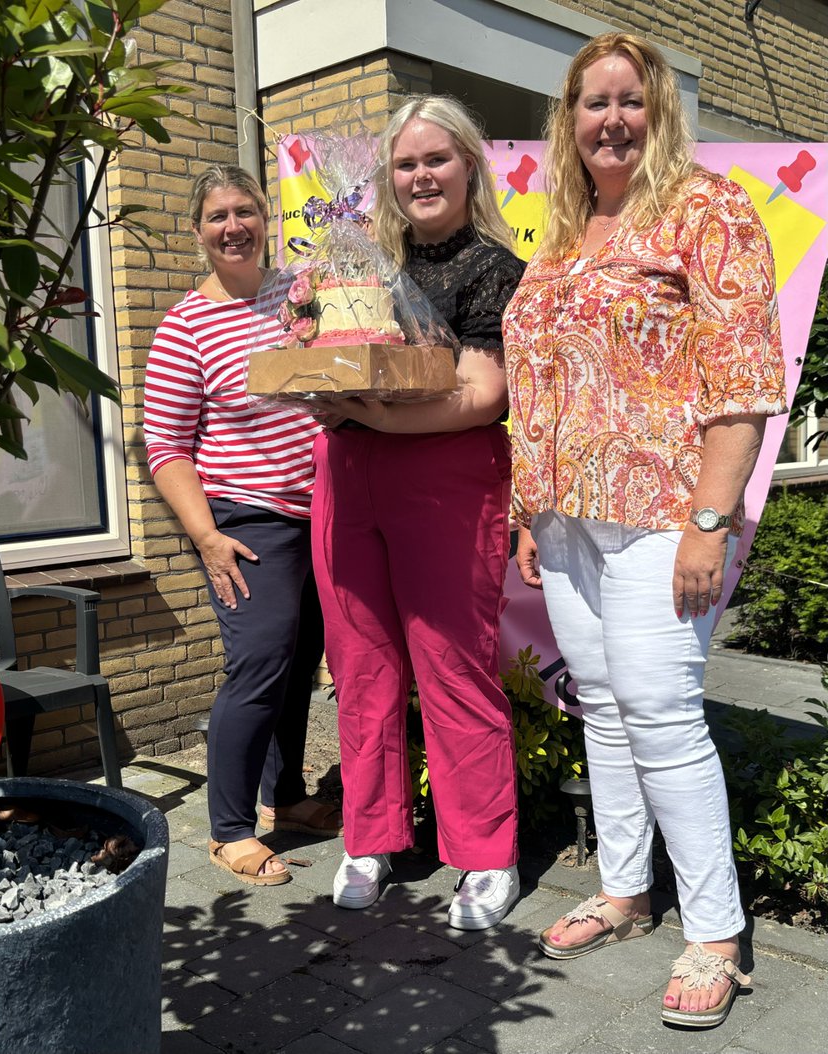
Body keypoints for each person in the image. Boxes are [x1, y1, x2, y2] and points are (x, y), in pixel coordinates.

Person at [503, 32, 786, 1029]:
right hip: (567, 520)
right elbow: (542, 385)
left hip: (665, 510)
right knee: (606, 709)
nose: (613, 119)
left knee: (662, 713)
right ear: (570, 118)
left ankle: (716, 934)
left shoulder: (707, 210)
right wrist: (531, 507)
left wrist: (711, 521)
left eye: (631, 100)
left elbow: (743, 380)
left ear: (659, 111)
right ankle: (624, 891)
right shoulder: (563, 234)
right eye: (595, 102)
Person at [314, 97, 523, 926]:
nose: (422, 176)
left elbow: (482, 395)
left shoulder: (493, 268)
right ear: (387, 178)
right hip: (347, 474)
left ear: (470, 164)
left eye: (437, 159)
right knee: (360, 666)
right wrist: (321, 388)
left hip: (445, 479)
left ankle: (486, 852)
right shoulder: (363, 268)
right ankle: (370, 837)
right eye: (406, 164)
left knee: (452, 666)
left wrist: (369, 415)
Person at [143, 165, 340, 886]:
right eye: (218, 216)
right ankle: (228, 828)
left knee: (298, 662)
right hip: (246, 519)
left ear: (265, 217)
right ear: (198, 231)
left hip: (324, 512)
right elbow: (166, 446)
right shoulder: (185, 326)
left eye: (245, 211)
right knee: (258, 663)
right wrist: (206, 537)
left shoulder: (300, 296)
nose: (234, 227)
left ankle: (284, 796)